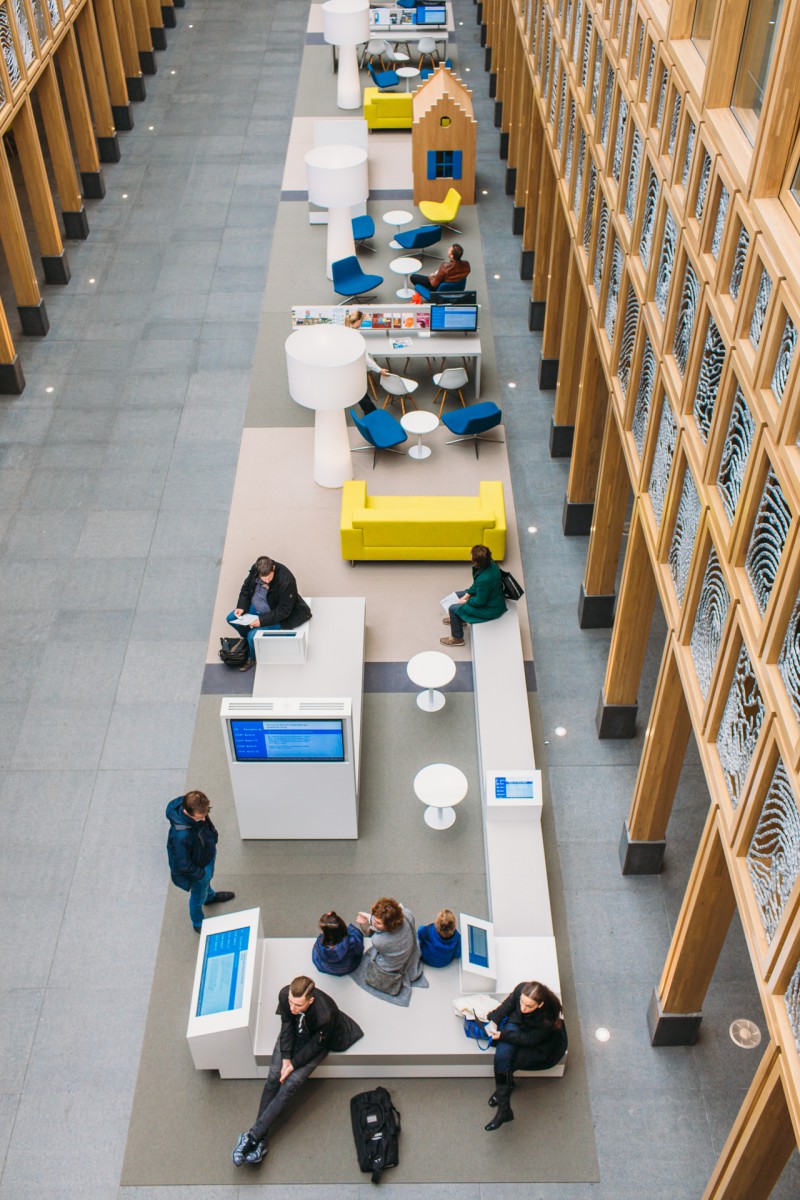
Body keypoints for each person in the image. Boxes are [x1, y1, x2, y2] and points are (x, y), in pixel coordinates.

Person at [232, 975, 363, 1166]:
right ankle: (259, 1139)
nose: (293, 1008)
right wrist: (286, 1059)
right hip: (295, 1034)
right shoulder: (286, 995)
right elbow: (286, 1026)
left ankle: (252, 1137)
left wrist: (292, 1066)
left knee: (291, 1084)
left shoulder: (325, 1015)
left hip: (315, 1043)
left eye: (298, 1005)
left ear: (311, 1000)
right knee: (273, 1078)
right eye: (291, 1003)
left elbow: (315, 1048)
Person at [483, 981, 568, 1131]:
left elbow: (530, 1040)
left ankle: (504, 1101)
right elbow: (506, 1007)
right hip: (518, 1027)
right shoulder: (520, 990)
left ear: (540, 1005)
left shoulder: (548, 1018)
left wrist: (503, 1035)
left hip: (538, 1045)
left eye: (529, 1006)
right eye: (521, 1002)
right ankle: (504, 1105)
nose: (522, 1008)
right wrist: (494, 1021)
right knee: (502, 1059)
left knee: (510, 1061)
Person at [226, 555, 312, 672]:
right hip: (256, 607)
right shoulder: (256, 569)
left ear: (273, 568)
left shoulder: (287, 581)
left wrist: (261, 621)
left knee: (253, 635)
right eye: (263, 578)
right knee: (231, 618)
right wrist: (242, 606)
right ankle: (249, 642)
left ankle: (252, 657)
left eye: (269, 577)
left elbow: (284, 611)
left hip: (276, 615)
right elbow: (246, 588)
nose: (267, 580)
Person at [165, 790, 235, 932]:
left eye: (206, 814)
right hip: (197, 869)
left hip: (206, 856)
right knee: (197, 897)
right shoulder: (180, 835)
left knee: (207, 882)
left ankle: (210, 897)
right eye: (200, 817)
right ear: (187, 812)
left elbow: (205, 822)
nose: (204, 819)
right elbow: (182, 864)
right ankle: (198, 923)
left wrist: (213, 837)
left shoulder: (198, 811)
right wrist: (200, 874)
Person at [351, 897, 426, 1001]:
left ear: (389, 925)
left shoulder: (379, 940)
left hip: (391, 965)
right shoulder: (407, 913)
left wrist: (365, 923)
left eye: (378, 923)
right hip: (408, 950)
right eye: (374, 918)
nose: (373, 923)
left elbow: (370, 933)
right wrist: (370, 918)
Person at [441, 543, 506, 647]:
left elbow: (480, 601)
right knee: (458, 595)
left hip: (490, 608)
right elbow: (477, 584)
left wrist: (466, 601)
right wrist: (467, 594)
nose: (470, 556)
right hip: (489, 595)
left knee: (453, 608)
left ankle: (457, 638)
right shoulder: (491, 563)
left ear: (478, 562)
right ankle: (459, 619)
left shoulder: (485, 579)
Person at [311, 910, 364, 976]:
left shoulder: (320, 944)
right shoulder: (352, 941)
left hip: (327, 968)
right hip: (347, 967)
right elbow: (358, 951)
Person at [344, 310, 389, 376]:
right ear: (358, 322)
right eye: (362, 321)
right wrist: (380, 370)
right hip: (356, 365)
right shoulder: (357, 338)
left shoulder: (345, 332)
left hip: (347, 363)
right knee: (370, 357)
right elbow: (366, 359)